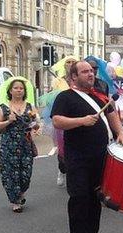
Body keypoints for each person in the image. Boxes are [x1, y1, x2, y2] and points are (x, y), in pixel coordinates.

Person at [51, 61, 123, 233]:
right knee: (79, 196)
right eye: (85, 72)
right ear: (74, 77)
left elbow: (112, 116)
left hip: (101, 155)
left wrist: (120, 133)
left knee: (96, 196)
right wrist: (81, 121)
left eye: (91, 71)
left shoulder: (100, 96)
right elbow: (57, 121)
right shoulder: (66, 97)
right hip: (77, 157)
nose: (90, 74)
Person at [0, 78, 39, 213]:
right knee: (10, 174)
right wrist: (8, 121)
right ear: (10, 91)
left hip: (25, 144)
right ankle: (15, 201)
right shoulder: (3, 107)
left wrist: (35, 126)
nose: (19, 90)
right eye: (16, 88)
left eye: (21, 88)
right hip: (9, 145)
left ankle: (21, 192)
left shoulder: (30, 106)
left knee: (26, 173)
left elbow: (36, 123)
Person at [51, 56, 77, 187]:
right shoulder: (58, 81)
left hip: (77, 116)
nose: (71, 64)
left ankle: (74, 174)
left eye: (73, 62)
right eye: (68, 62)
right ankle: (62, 170)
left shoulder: (79, 80)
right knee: (62, 149)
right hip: (62, 116)